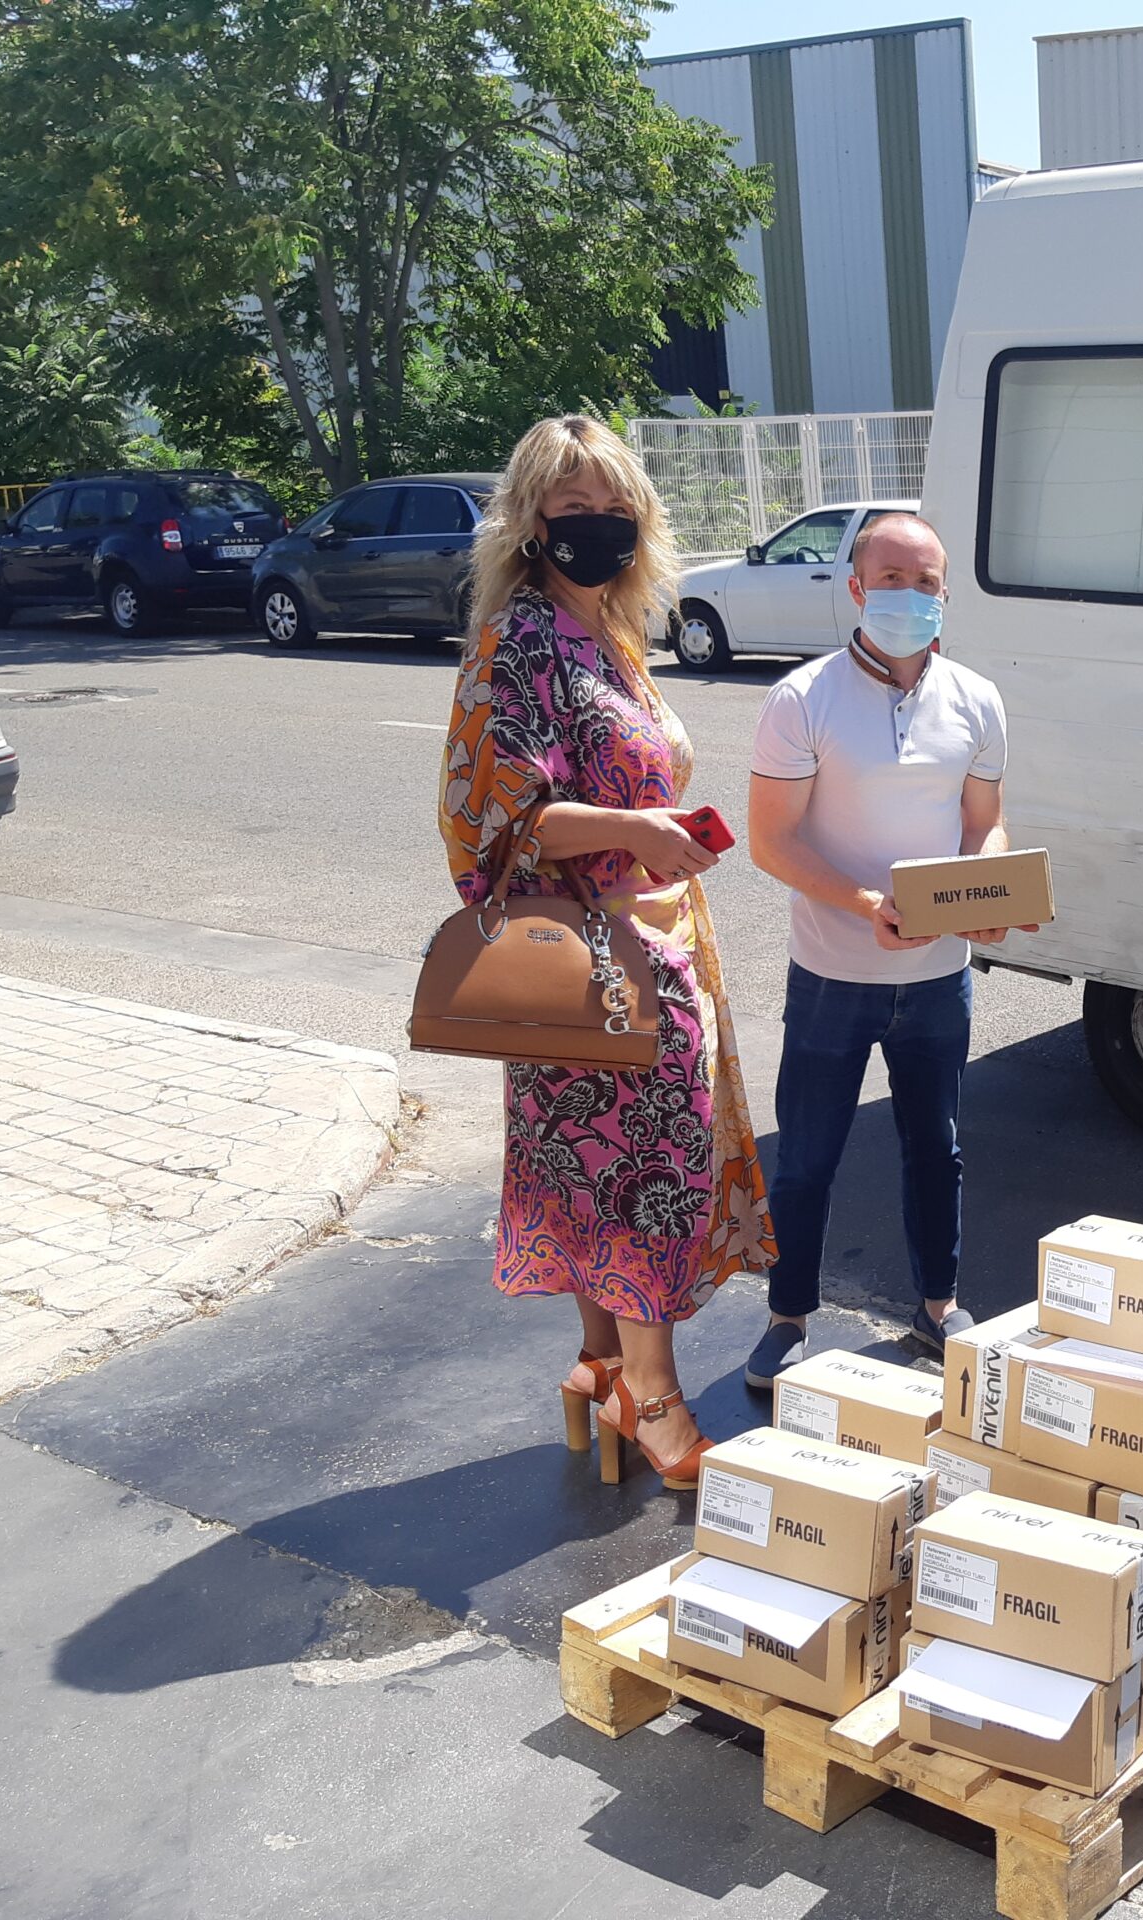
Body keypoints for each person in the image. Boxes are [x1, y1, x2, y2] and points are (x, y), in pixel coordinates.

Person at [440, 414, 775, 1490]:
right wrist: (636, 828)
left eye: (613, 505)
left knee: (599, 1169)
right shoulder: (521, 638)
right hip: (592, 962)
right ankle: (655, 1397)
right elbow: (494, 817)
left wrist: (655, 833)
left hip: (650, 942)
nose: (597, 523)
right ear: (530, 522)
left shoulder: (607, 633)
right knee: (646, 1173)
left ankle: (602, 1367)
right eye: (572, 506)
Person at [738, 512, 1026, 1389]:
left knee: (936, 1149)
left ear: (945, 592)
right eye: (892, 579)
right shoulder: (802, 700)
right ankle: (788, 1317)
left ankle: (938, 1307)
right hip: (833, 975)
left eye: (926, 581)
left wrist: (989, 891)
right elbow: (771, 841)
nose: (910, 596)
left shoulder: (977, 699)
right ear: (858, 588)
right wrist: (866, 906)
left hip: (939, 980)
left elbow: (984, 822)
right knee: (808, 1156)